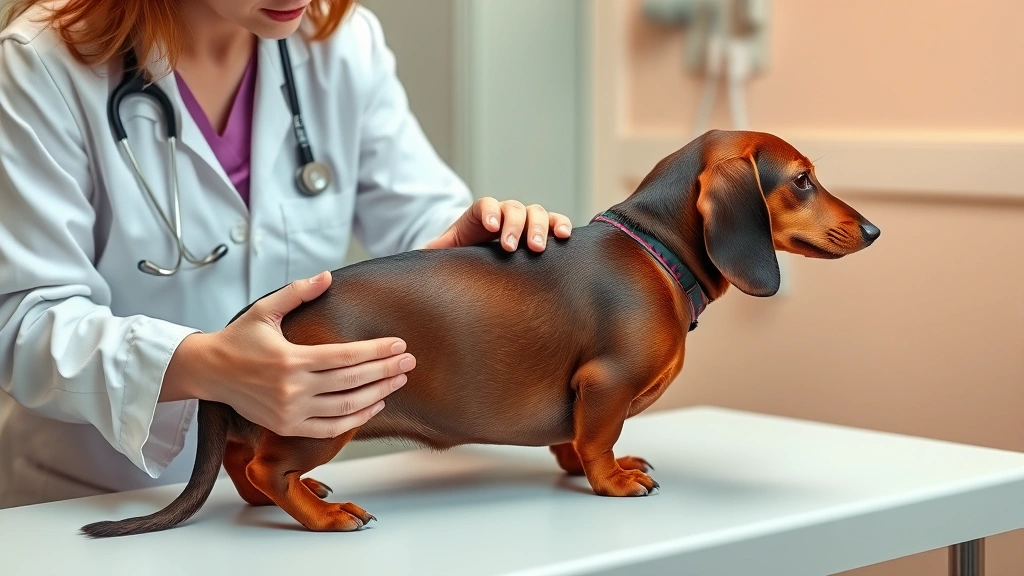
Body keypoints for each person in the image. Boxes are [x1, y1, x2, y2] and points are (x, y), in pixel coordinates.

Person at [0, 0, 573, 508]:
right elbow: (23, 321)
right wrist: (207, 366)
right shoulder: (41, 61)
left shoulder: (340, 43)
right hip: (90, 500)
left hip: (272, 500)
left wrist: (467, 255)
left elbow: (419, 220)